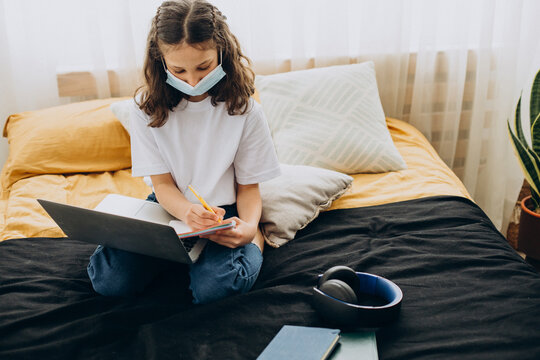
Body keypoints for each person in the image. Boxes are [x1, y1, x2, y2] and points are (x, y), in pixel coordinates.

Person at [87, 0, 281, 304]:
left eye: (204, 67)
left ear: (222, 52)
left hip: (222, 213)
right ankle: (177, 254)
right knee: (109, 280)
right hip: (169, 208)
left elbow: (248, 187)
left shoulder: (244, 111)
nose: (192, 81)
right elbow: (162, 185)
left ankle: (256, 244)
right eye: (179, 70)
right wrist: (186, 213)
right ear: (160, 60)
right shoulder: (146, 110)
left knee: (217, 289)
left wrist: (249, 229)